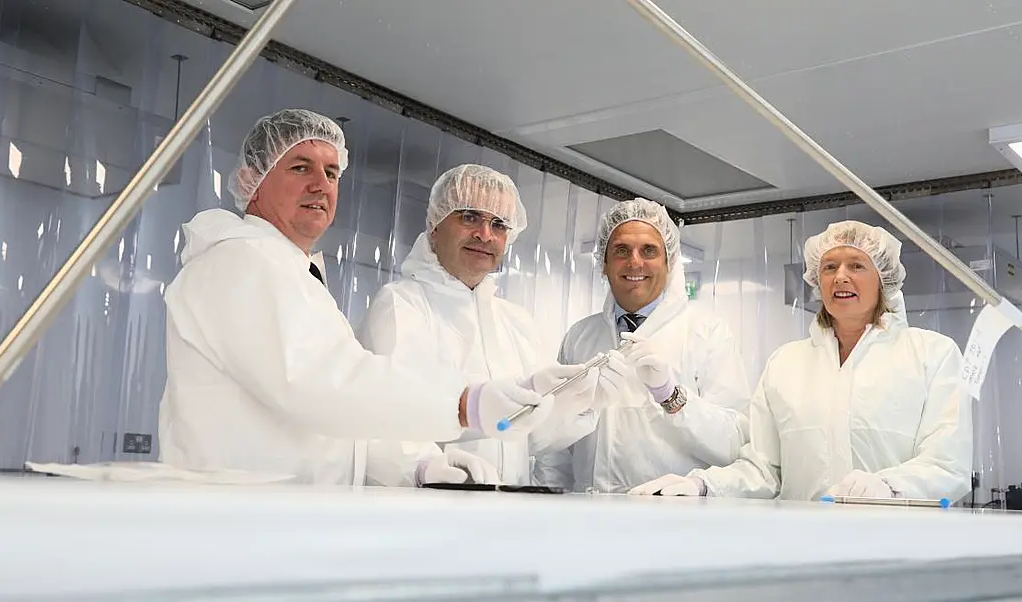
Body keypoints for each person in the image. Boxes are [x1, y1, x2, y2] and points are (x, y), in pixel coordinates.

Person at [157, 109, 556, 487]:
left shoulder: (289, 271)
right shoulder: (241, 261)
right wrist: (464, 402)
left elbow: (344, 410)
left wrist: (416, 463)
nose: (320, 184)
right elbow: (321, 382)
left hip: (281, 520)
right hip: (241, 525)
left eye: (331, 173)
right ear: (252, 180)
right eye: (300, 167)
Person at [631, 220, 973, 502]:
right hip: (805, 549)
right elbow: (764, 469)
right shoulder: (785, 363)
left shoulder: (933, 355)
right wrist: (704, 486)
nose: (840, 276)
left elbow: (948, 465)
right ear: (816, 280)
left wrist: (889, 487)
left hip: (897, 550)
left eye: (856, 266)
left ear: (883, 280)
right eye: (829, 267)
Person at [357, 164, 616, 484]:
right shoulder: (403, 305)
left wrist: (582, 401)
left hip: (502, 515)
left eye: (499, 224)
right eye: (469, 217)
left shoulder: (514, 321)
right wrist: (422, 468)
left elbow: (527, 437)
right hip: (425, 512)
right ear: (436, 225)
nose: (484, 234)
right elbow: (379, 416)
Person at [532, 199, 752, 493]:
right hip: (588, 518)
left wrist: (673, 398)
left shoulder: (706, 332)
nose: (635, 262)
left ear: (669, 262)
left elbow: (735, 441)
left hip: (672, 518)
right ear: (604, 264)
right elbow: (554, 445)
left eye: (649, 251)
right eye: (621, 250)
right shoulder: (580, 336)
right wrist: (547, 501)